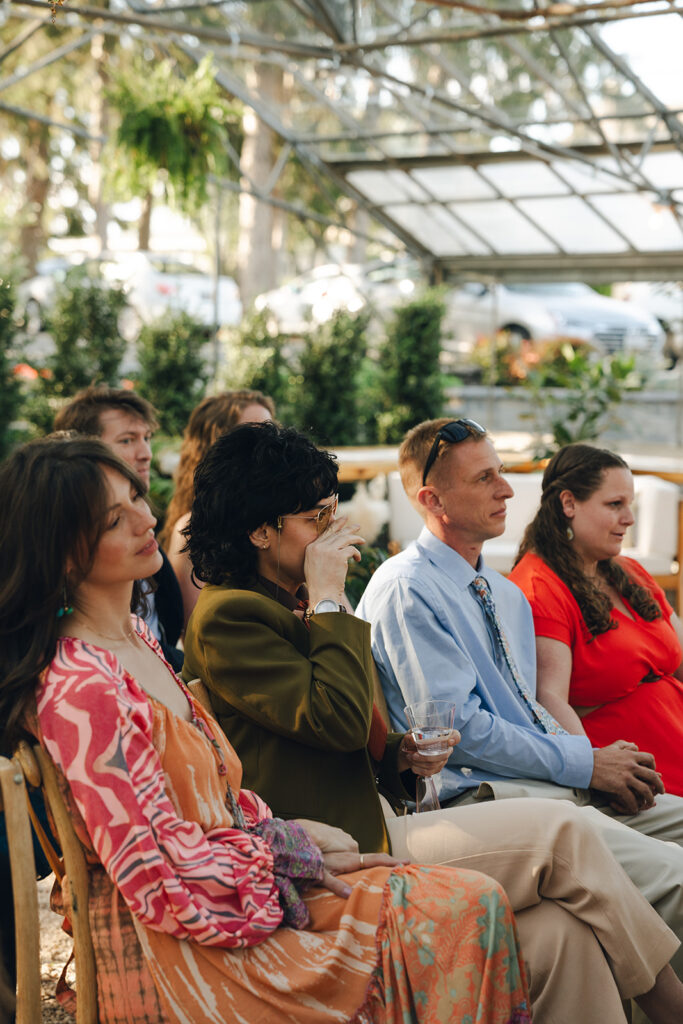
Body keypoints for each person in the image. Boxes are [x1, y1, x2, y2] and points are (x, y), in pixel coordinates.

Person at [0, 436, 536, 1024]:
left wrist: (287, 836)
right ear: (65, 552)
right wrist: (286, 851)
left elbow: (222, 797)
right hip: (186, 948)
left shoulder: (136, 640)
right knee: (467, 904)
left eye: (136, 495)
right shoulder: (81, 687)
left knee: (476, 903)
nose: (146, 517)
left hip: (234, 890)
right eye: (114, 517)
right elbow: (154, 874)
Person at [182, 420, 683, 1024]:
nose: (338, 530)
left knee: (563, 935)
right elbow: (336, 719)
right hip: (343, 846)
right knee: (564, 834)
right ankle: (671, 1005)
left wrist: (398, 755)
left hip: (385, 815)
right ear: (261, 531)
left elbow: (335, 732)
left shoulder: (287, 602)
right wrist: (329, 598)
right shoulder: (232, 616)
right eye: (317, 516)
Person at [356, 416, 683, 997]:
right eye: (485, 478)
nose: (507, 489)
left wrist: (591, 764)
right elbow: (463, 734)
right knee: (678, 880)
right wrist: (585, 764)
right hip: (482, 802)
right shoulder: (408, 588)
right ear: (433, 500)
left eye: (502, 473)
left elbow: (528, 712)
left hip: (550, 786)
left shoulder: (501, 591)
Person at [509, 443, 683, 798]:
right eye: (614, 504)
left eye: (629, 504)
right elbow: (549, 700)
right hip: (643, 779)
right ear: (569, 504)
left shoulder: (629, 572)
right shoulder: (538, 589)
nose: (629, 518)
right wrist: (594, 769)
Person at [53, 385, 184, 670]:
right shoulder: (76, 663)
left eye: (147, 438)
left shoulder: (146, 541)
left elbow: (166, 634)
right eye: (127, 440)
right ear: (83, 450)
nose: (146, 453)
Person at [159, 389, 274, 627]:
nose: (268, 447)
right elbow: (201, 632)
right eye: (252, 437)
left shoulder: (283, 519)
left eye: (271, 432)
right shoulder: (192, 530)